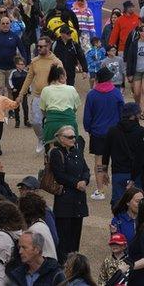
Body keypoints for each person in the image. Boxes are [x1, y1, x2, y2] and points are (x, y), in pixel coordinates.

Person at [48, 125, 90, 264]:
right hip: (65, 201)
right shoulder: (56, 153)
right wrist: (76, 183)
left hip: (79, 200)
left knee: (75, 236)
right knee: (64, 237)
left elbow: (85, 169)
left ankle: (74, 264)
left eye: (74, 136)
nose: (73, 139)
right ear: (61, 138)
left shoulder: (77, 151)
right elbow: (59, 175)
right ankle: (63, 265)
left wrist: (85, 180)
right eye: (70, 137)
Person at [82, 67, 124, 200]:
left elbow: (87, 117)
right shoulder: (117, 93)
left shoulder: (92, 94)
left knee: (99, 161)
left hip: (97, 133)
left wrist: (89, 129)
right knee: (117, 159)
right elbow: (123, 113)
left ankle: (100, 189)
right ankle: (120, 188)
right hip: (115, 132)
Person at [40, 65, 81, 147]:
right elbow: (75, 108)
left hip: (52, 122)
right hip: (69, 121)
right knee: (73, 147)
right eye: (65, 76)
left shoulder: (46, 90)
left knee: (50, 149)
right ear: (62, 77)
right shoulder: (71, 89)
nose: (66, 78)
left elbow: (43, 110)